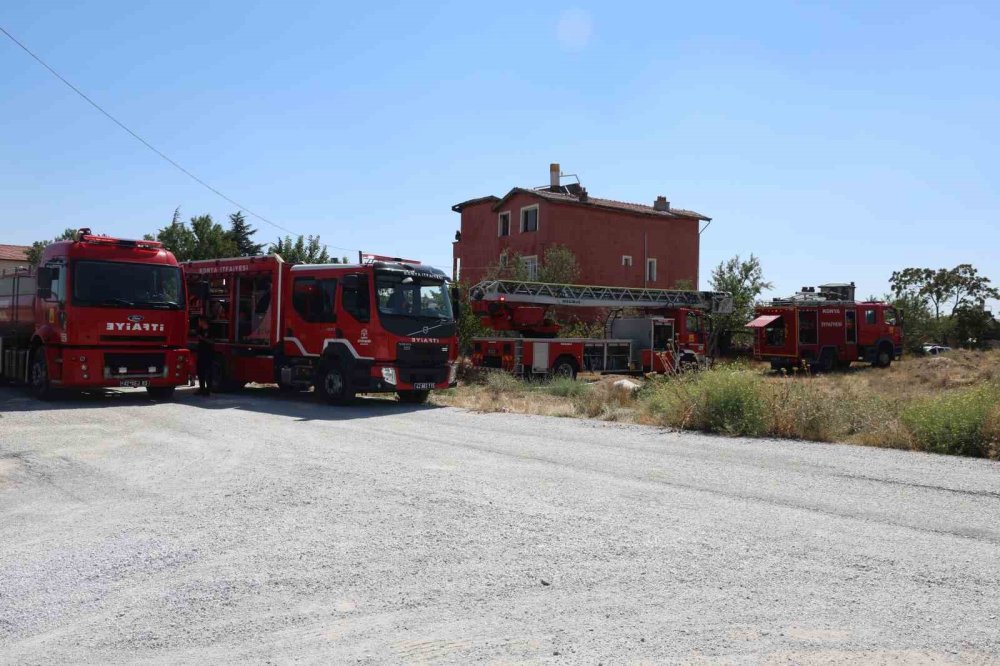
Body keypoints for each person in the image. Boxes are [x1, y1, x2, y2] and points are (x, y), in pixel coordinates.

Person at [196, 315, 213, 395]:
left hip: (208, 353)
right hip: (201, 353)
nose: (199, 323)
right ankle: (201, 388)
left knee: (208, 372)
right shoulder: (200, 330)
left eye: (199, 321)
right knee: (200, 371)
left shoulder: (210, 330)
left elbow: (212, 342)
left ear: (203, 321)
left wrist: (202, 338)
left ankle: (208, 389)